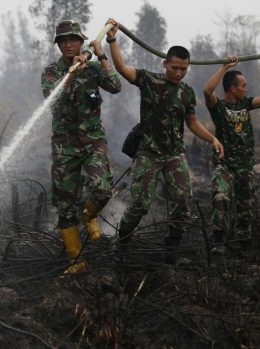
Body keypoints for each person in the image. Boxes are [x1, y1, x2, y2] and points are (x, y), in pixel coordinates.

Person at [105, 18, 224, 262]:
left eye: (183, 69)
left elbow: (191, 122)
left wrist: (212, 138)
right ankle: (122, 244)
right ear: (165, 64)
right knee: (140, 203)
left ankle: (172, 251)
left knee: (182, 202)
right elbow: (123, 69)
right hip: (148, 154)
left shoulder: (186, 92)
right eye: (175, 68)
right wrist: (112, 40)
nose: (179, 73)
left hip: (174, 155)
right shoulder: (149, 80)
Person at [41, 19, 121, 273]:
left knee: (102, 189)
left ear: (81, 41)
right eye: (63, 41)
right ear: (58, 45)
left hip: (92, 142)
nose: (68, 44)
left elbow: (115, 86)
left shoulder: (94, 68)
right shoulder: (51, 72)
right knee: (64, 206)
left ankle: (89, 216)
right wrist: (71, 73)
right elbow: (51, 98)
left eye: (73, 39)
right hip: (64, 148)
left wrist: (101, 55)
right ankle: (76, 262)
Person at [203, 54, 260, 252]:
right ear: (233, 88)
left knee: (246, 208)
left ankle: (243, 243)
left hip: (245, 165)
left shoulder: (246, 103)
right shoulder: (219, 107)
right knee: (220, 196)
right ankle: (218, 240)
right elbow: (207, 90)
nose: (246, 88)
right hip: (224, 164)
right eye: (243, 85)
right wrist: (224, 67)